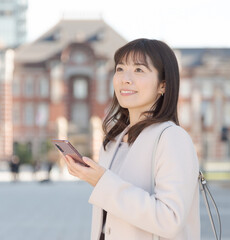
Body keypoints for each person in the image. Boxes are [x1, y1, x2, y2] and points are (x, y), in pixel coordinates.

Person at [64, 38, 200, 240]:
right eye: (120, 69)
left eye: (139, 70)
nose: (125, 79)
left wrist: (102, 182)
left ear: (163, 85)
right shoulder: (113, 141)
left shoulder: (171, 138)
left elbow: (170, 219)